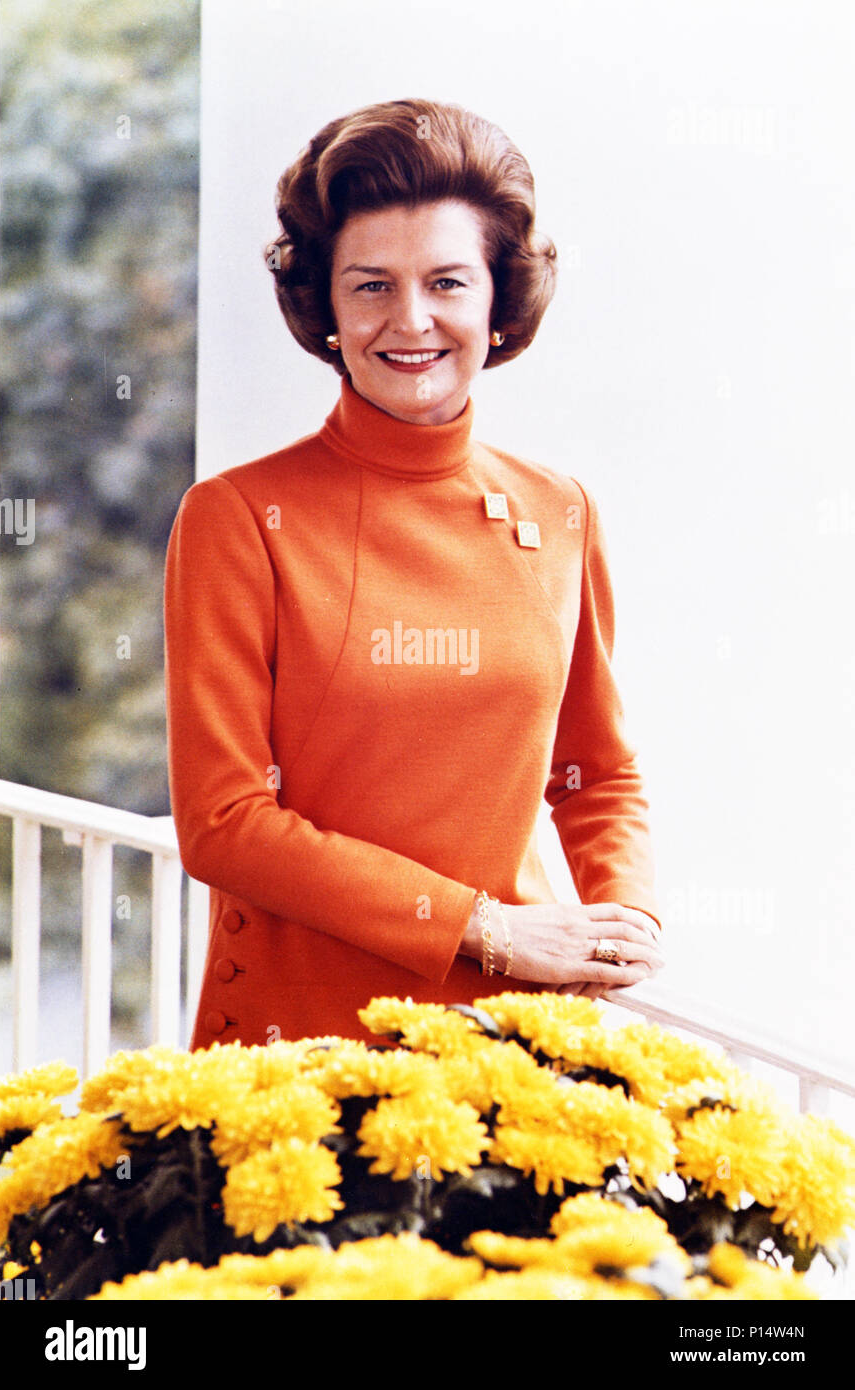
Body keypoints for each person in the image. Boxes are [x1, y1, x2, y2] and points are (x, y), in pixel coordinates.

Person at [164, 98, 665, 1049]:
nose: (411, 322)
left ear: (496, 298)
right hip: (300, 1050)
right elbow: (224, 822)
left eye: (446, 282)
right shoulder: (236, 519)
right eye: (371, 287)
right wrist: (490, 929)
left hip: (514, 1045)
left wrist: (625, 914)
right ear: (326, 305)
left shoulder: (561, 510)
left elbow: (596, 771)